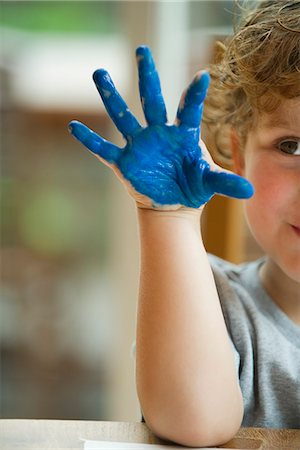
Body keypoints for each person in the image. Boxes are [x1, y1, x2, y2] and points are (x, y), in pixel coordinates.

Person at [68, 1, 300, 446]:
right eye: (291, 146)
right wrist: (168, 217)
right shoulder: (210, 303)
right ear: (238, 154)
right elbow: (195, 422)